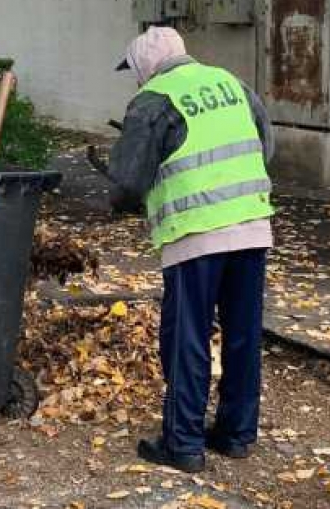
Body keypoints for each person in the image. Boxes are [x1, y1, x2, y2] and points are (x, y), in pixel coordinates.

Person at [107, 26, 274, 473]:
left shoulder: (153, 100)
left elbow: (126, 182)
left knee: (187, 338)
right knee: (242, 334)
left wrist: (121, 200)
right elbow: (265, 144)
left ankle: (183, 444)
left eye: (135, 71)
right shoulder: (231, 83)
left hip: (195, 234)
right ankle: (236, 435)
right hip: (252, 226)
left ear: (144, 65)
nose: (136, 79)